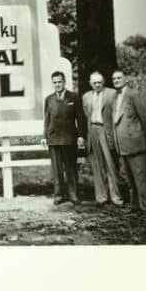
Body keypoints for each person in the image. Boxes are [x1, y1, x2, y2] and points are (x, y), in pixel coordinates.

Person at [42, 71, 85, 205]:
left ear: (64, 82)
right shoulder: (49, 99)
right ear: (52, 83)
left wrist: (81, 135)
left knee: (71, 168)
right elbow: (47, 119)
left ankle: (73, 195)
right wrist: (44, 136)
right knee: (57, 169)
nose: (57, 84)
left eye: (59, 82)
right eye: (55, 82)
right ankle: (59, 195)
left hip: (69, 138)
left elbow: (81, 118)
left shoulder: (74, 97)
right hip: (53, 138)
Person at [82, 72, 123, 207]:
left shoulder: (112, 94)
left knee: (111, 164)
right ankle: (101, 197)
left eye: (99, 82)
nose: (97, 85)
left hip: (106, 131)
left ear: (104, 82)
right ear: (90, 83)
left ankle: (116, 197)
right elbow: (85, 117)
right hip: (92, 130)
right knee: (97, 165)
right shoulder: (86, 96)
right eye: (94, 83)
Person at [112, 69, 146, 212]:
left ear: (125, 79)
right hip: (122, 145)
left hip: (136, 144)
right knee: (129, 178)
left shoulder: (134, 94)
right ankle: (134, 206)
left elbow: (145, 119)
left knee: (141, 177)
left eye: (119, 78)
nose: (116, 81)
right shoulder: (115, 97)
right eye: (114, 79)